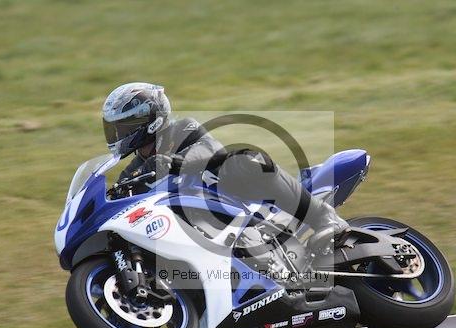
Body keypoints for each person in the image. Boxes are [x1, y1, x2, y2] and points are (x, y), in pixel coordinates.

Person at [102, 82, 346, 243]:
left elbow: (210, 150)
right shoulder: (136, 167)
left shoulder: (183, 128)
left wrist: (173, 162)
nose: (117, 134)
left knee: (246, 160)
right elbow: (124, 197)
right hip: (191, 229)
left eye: (123, 127)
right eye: (114, 128)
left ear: (148, 120)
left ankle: (322, 216)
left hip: (234, 200)